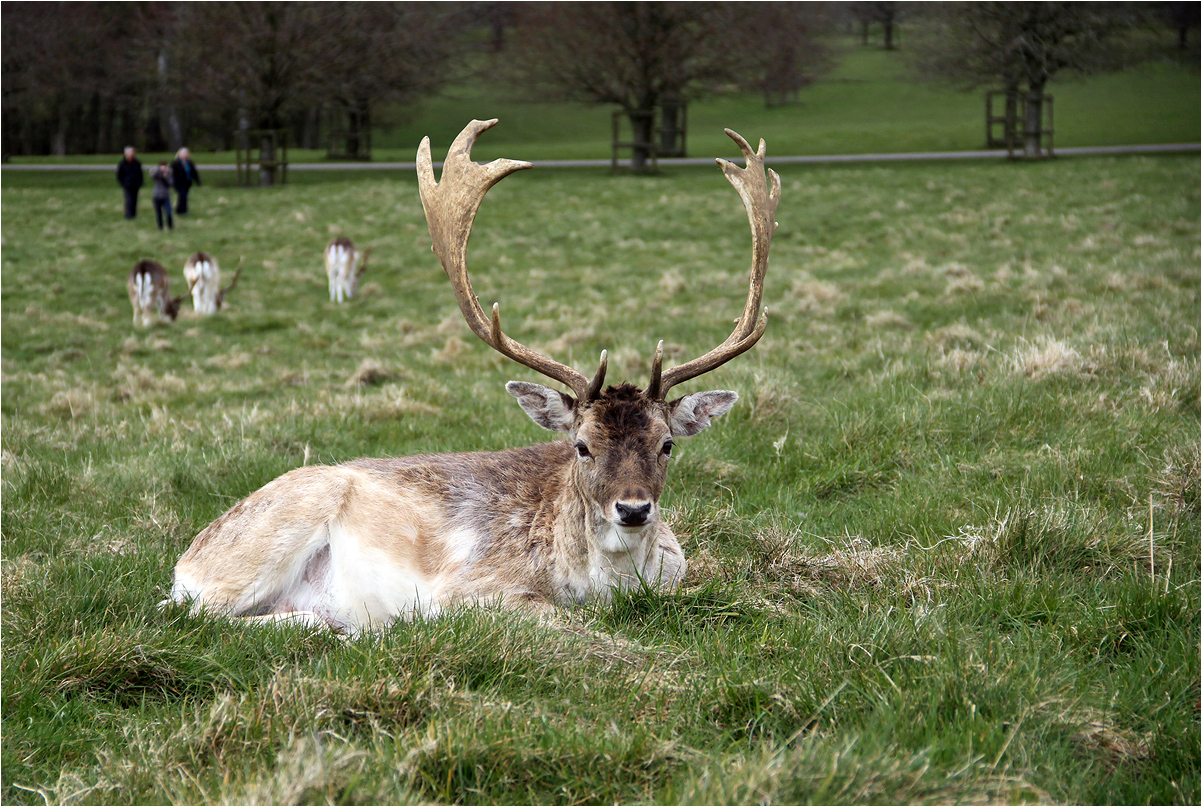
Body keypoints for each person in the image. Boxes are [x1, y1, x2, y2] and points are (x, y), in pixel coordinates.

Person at [170, 147, 201, 214]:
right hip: (178, 183)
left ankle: (178, 209)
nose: (185, 155)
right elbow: (171, 173)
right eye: (183, 153)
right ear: (180, 154)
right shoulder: (175, 163)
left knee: (183, 196)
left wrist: (197, 181)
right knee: (183, 195)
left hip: (187, 183)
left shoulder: (189, 163)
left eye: (186, 153)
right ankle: (184, 211)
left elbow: (194, 172)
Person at [116, 146, 144, 219]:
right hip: (127, 184)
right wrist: (122, 182)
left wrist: (140, 182)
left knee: (135, 199)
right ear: (126, 154)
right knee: (129, 199)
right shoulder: (122, 163)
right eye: (129, 153)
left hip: (136, 184)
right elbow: (119, 175)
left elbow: (140, 173)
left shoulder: (137, 163)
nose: (131, 155)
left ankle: (134, 214)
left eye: (132, 153)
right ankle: (128, 214)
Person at [149, 160, 174, 231]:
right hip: (156, 196)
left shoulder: (169, 174)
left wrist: (166, 175)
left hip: (166, 196)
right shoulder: (157, 174)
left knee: (168, 212)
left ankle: (170, 227)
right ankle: (160, 227)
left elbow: (170, 183)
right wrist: (159, 170)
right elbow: (152, 175)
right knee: (158, 213)